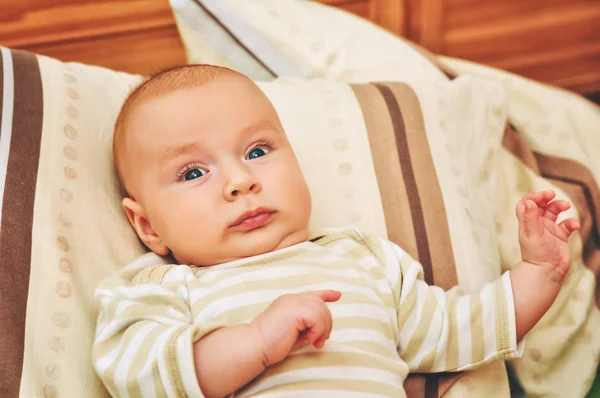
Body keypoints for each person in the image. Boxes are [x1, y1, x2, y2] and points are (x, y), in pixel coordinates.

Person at [93, 65, 580, 398]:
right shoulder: (161, 289)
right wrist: (257, 341)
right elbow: (142, 376)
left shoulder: (362, 259)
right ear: (148, 225)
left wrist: (540, 272)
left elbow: (455, 329)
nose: (241, 181)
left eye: (258, 151)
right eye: (193, 173)